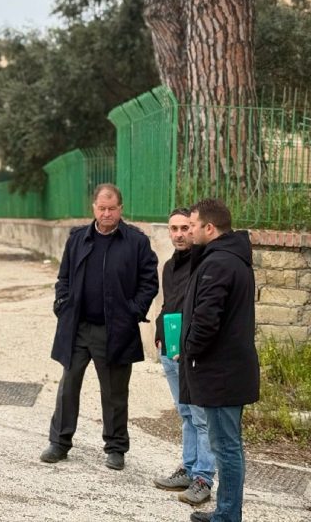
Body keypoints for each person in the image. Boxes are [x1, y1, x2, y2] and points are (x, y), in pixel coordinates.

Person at [40, 183, 158, 470]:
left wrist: (133, 312)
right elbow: (63, 276)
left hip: (115, 330)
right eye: (102, 208)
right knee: (68, 386)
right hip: (78, 327)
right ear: (93, 207)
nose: (106, 213)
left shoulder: (136, 242)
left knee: (115, 392)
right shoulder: (78, 238)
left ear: (121, 209)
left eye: (112, 208)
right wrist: (62, 303)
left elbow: (149, 282)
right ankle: (59, 443)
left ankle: (116, 448)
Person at [180, 199, 259, 522]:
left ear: (209, 228)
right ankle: (227, 511)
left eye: (194, 225)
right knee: (227, 446)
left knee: (226, 448)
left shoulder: (219, 263)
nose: (190, 231)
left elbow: (206, 320)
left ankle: (228, 515)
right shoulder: (228, 259)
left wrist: (190, 351)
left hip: (222, 373)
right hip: (228, 370)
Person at [152, 208, 215, 505]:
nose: (179, 234)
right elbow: (169, 304)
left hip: (192, 352)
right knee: (186, 413)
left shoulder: (203, 264)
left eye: (184, 228)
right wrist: (160, 333)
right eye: (173, 228)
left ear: (194, 229)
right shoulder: (168, 266)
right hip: (171, 349)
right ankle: (189, 470)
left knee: (202, 417)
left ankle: (204, 477)